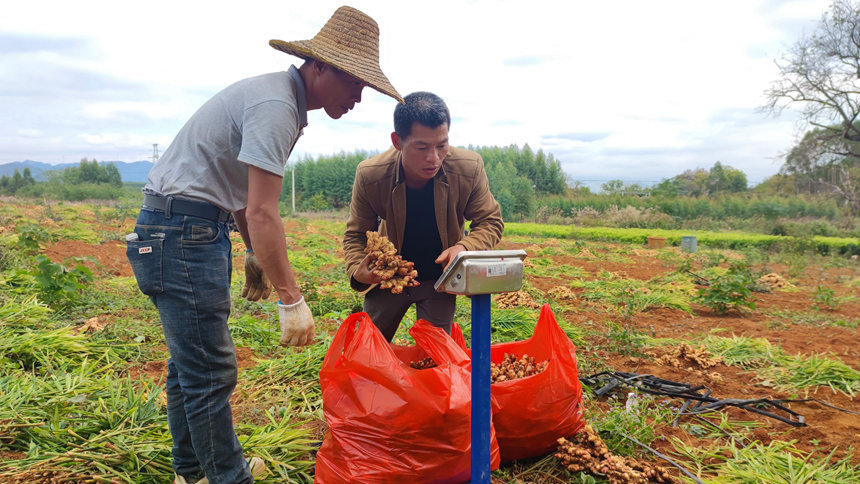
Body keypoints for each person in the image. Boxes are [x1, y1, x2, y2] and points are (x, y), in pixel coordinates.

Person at [125, 6, 402, 484]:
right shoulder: (276, 109)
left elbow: (239, 194)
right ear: (319, 67)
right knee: (210, 371)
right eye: (354, 82)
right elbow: (262, 210)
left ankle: (192, 471)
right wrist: (290, 297)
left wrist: (252, 252)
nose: (359, 96)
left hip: (184, 229)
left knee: (190, 365)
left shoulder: (279, 100)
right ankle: (228, 477)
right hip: (182, 235)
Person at [343, 91, 504, 342]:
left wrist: (464, 247)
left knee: (435, 354)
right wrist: (358, 270)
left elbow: (490, 221)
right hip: (389, 278)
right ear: (398, 141)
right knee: (370, 348)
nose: (434, 158)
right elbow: (356, 235)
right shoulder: (372, 175)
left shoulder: (468, 168)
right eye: (422, 147)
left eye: (442, 145)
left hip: (438, 280)